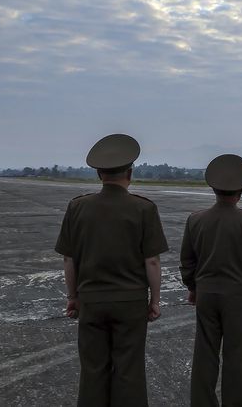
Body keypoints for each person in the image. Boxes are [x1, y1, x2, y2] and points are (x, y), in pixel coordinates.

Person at [55, 133, 168, 407]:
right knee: (129, 372)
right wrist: (154, 300)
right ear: (130, 172)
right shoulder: (143, 208)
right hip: (130, 302)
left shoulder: (77, 207)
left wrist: (73, 297)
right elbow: (151, 261)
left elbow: (69, 260)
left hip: (91, 300)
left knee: (93, 371)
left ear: (98, 174)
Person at [179, 154, 242, 407]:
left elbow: (187, 260)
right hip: (237, 295)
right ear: (240, 192)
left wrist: (192, 287)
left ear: (213, 189)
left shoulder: (196, 219)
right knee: (235, 355)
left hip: (206, 293)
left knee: (205, 352)